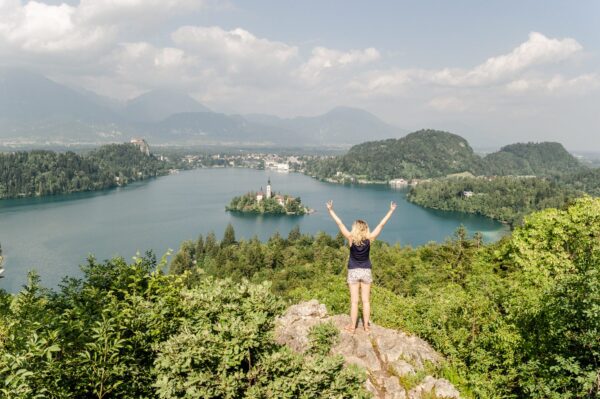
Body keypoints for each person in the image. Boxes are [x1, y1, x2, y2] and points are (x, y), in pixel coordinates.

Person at [326, 200, 396, 333]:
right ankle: (366, 327)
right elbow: (381, 224)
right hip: (366, 271)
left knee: (354, 302)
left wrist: (330, 210)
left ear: (355, 228)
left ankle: (352, 327)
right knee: (366, 301)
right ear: (365, 229)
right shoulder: (369, 239)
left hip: (353, 271)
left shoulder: (350, 238)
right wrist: (391, 211)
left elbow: (339, 223)